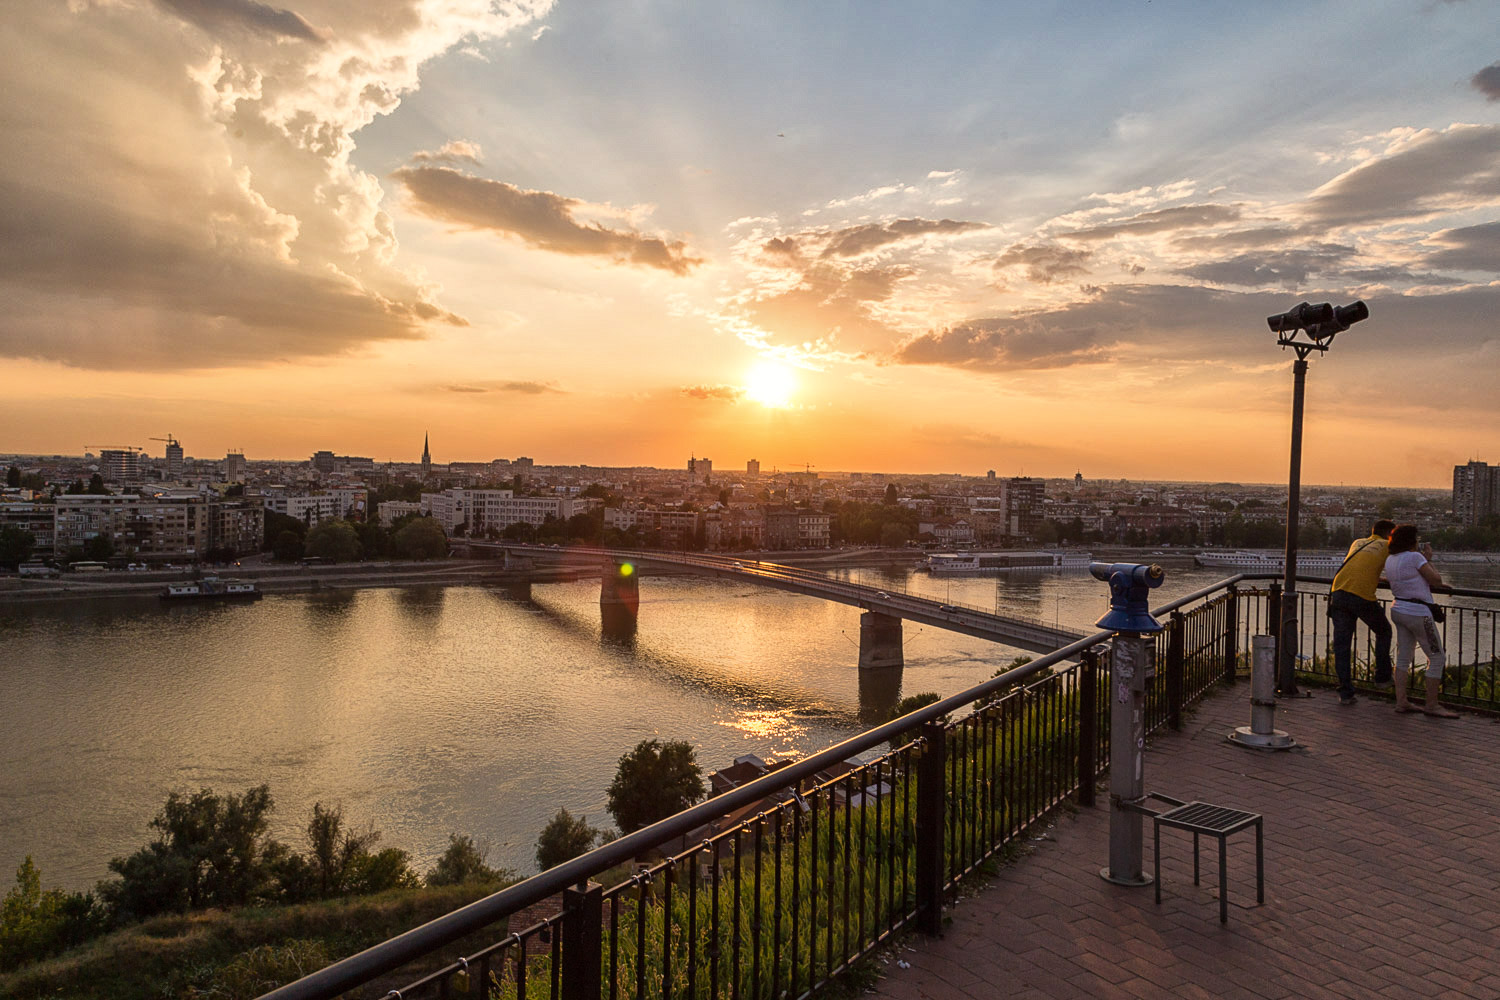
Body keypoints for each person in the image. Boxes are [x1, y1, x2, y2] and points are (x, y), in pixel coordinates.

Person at [1384, 524, 1458, 718]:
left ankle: (1402, 702)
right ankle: (1432, 705)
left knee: (1403, 658)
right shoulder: (1416, 557)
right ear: (1413, 541)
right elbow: (1435, 580)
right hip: (1418, 614)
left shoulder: (1390, 559)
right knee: (1437, 656)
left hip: (1398, 609)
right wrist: (1428, 559)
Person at [1327, 518, 1395, 706]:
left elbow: (1360, 568)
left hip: (1338, 592)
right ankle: (1382, 678)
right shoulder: (1387, 545)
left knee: (1342, 646)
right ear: (1390, 534)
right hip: (1361, 596)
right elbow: (1400, 568)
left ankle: (1346, 693)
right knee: (1384, 631)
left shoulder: (1357, 542)